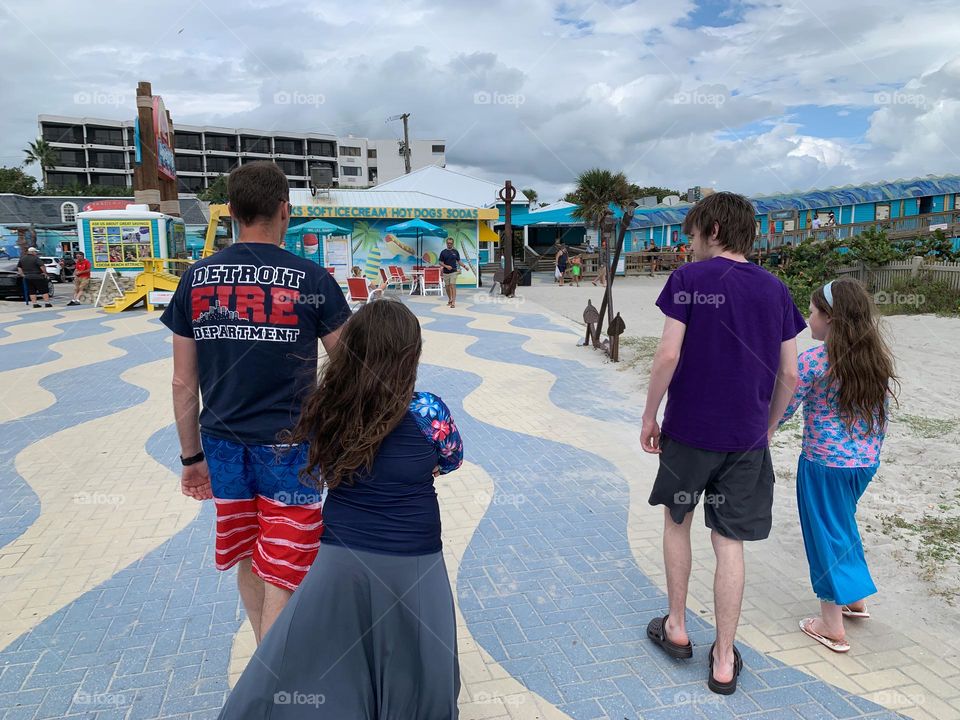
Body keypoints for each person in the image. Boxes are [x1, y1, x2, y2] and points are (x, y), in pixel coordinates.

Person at [219, 300, 464, 719]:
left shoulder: (327, 407)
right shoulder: (428, 411)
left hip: (339, 557)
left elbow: (317, 462)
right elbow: (451, 459)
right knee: (421, 668)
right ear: (411, 354)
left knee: (319, 664)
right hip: (414, 557)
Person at [160, 161, 351, 645]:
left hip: (221, 445)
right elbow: (350, 368)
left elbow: (184, 383)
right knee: (288, 559)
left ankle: (268, 653)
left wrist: (191, 458)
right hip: (293, 444)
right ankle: (276, 669)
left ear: (232, 212)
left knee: (249, 552)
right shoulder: (311, 280)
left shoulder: (197, 280)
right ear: (284, 210)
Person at [640, 191, 806, 695]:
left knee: (677, 522)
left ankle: (677, 626)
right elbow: (791, 374)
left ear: (712, 229)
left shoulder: (688, 281)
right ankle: (724, 658)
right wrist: (769, 425)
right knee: (729, 542)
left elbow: (667, 355)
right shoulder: (775, 289)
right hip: (746, 441)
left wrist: (650, 415)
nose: (688, 245)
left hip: (689, 435)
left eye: (691, 234)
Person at [774, 278, 896, 653]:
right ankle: (855, 598)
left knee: (824, 535)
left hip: (823, 464)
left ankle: (831, 624)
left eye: (811, 313)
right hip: (864, 463)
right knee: (842, 526)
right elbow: (882, 413)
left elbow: (783, 411)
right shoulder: (875, 358)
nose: (807, 319)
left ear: (830, 318)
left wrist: (758, 429)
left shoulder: (812, 361)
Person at [439, 236, 468, 308]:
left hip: (454, 272)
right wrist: (446, 266)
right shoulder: (443, 252)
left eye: (451, 243)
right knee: (447, 287)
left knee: (452, 285)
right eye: (448, 243)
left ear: (453, 244)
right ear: (446, 243)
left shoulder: (455, 252)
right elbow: (440, 262)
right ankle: (450, 299)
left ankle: (453, 302)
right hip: (446, 272)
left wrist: (464, 266)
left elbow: (459, 261)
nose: (449, 244)